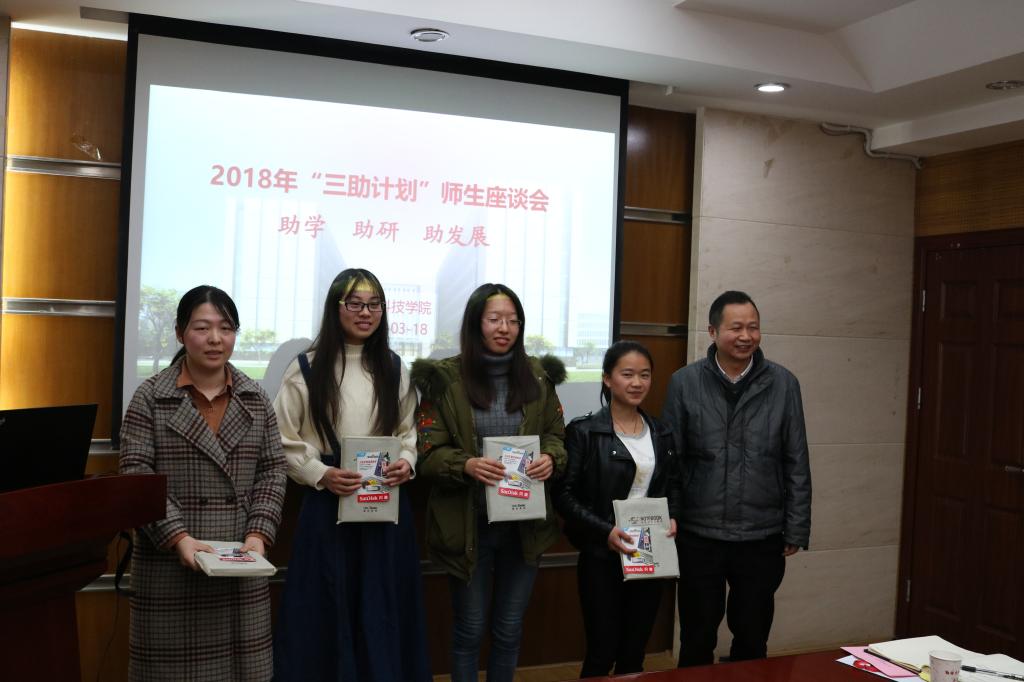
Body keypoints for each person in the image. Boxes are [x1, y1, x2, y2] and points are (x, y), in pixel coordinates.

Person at [119, 285, 288, 682]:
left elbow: (273, 470)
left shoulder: (255, 397)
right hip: (171, 568)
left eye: (226, 328)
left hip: (240, 565)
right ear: (180, 333)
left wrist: (258, 534)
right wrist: (178, 537)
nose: (215, 339)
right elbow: (136, 474)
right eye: (202, 328)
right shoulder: (150, 397)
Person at [271, 268, 431, 682]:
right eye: (355, 303)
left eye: (374, 304)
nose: (366, 312)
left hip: (384, 505)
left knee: (382, 608)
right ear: (335, 308)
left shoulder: (394, 367)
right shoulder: (305, 368)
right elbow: (282, 438)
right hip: (327, 506)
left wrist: (407, 460)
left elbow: (408, 431)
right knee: (325, 607)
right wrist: (320, 473)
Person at [412, 283, 567, 682]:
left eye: (513, 321)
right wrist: (465, 465)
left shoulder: (538, 375)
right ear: (475, 323)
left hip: (524, 526)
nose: (505, 328)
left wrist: (551, 458)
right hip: (468, 526)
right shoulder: (445, 378)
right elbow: (426, 452)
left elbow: (556, 434)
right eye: (495, 319)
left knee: (509, 629)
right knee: (469, 628)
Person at [662, 290, 811, 667]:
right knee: (697, 636)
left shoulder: (784, 384)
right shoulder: (684, 382)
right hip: (699, 533)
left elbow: (796, 460)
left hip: (761, 534)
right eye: (736, 328)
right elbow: (672, 461)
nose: (746, 336)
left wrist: (796, 527)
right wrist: (672, 516)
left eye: (753, 327)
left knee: (753, 636)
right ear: (713, 332)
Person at [554, 341, 682, 678]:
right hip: (602, 555)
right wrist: (605, 531)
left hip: (648, 553)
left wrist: (672, 516)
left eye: (645, 375)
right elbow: (563, 496)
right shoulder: (584, 431)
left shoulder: (662, 432)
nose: (637, 383)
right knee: (601, 653)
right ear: (607, 379)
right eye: (627, 374)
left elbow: (673, 486)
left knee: (634, 653)